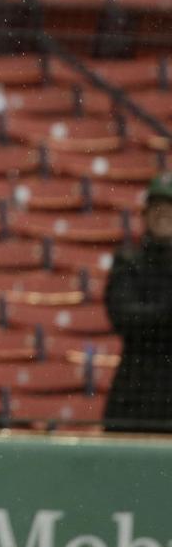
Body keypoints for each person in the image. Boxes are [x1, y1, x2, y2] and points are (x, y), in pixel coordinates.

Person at [104, 172, 172, 433]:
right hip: (136, 389)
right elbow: (123, 317)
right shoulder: (129, 261)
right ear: (145, 215)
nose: (162, 215)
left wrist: (152, 317)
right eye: (156, 208)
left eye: (168, 208)